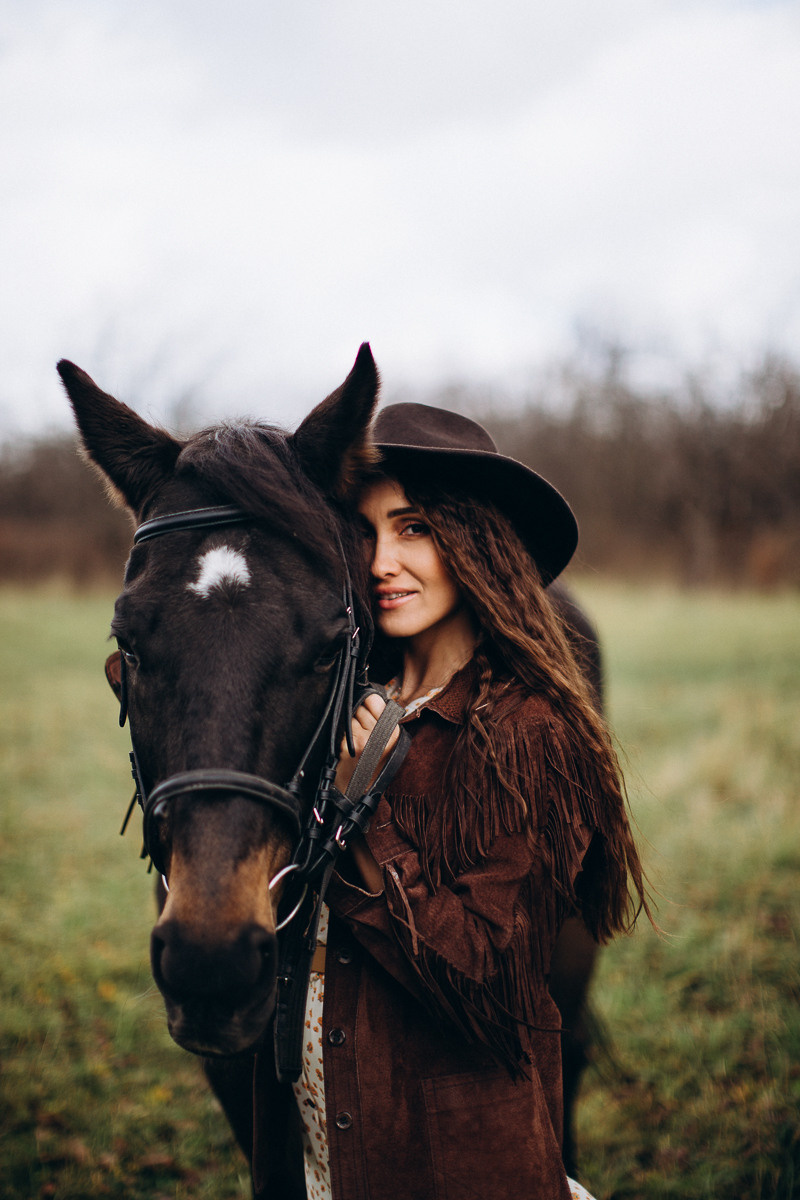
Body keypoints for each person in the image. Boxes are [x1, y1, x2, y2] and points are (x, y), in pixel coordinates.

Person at [256, 402, 650, 1200]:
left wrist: (368, 819)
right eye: (365, 533)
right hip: (327, 1146)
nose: (381, 562)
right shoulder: (341, 705)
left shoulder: (525, 733)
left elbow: (488, 986)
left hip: (453, 1161)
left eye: (414, 529)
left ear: (473, 541)